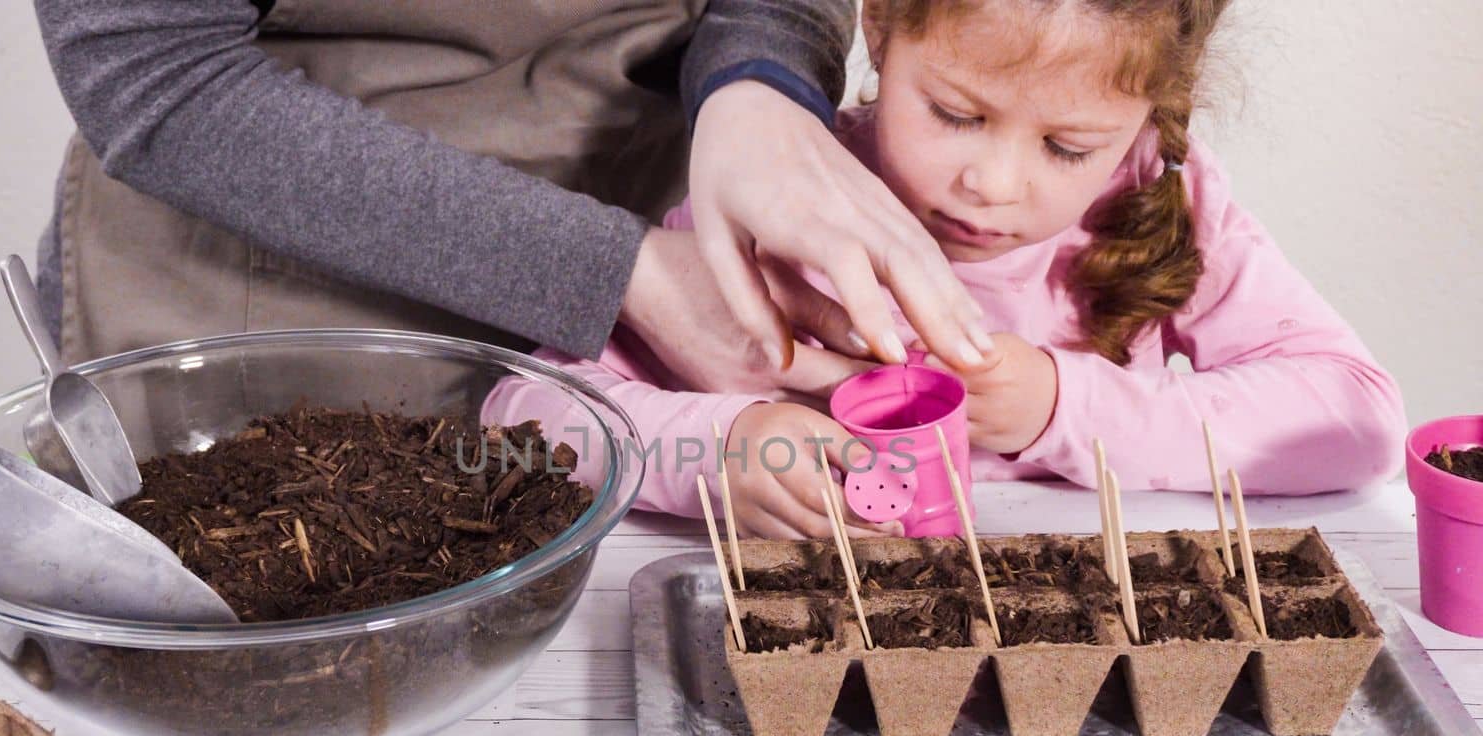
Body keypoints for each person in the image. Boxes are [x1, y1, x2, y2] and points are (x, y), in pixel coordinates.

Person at [485, 0, 1408, 539]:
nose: (992, 184)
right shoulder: (785, 192)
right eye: (957, 115)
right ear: (881, 30)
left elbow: (1356, 417)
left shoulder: (1166, 199)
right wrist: (720, 449)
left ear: (1149, 115)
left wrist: (1061, 406)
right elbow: (525, 412)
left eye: (1066, 144)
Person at [31, 0, 992, 397]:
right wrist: (615, 276)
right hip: (282, 332)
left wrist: (760, 83)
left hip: (671, 293)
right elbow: (152, 73)